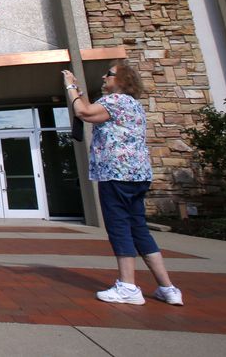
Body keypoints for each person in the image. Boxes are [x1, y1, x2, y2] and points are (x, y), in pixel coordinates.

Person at [62, 61, 184, 306]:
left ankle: (128, 286)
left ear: (122, 79)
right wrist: (79, 93)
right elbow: (89, 109)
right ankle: (168, 288)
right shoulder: (134, 106)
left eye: (109, 74)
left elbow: (84, 113)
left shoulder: (115, 101)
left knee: (119, 228)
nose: (104, 77)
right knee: (139, 229)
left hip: (116, 174)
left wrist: (70, 87)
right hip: (137, 176)